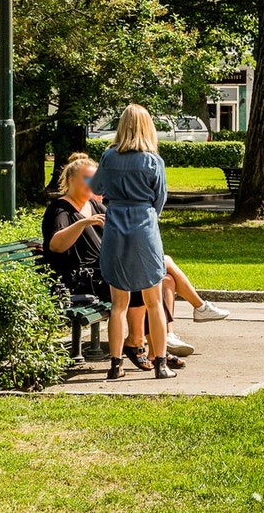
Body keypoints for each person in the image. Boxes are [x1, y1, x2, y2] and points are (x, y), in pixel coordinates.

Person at [44, 155, 229, 365]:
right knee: (146, 279)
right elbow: (55, 245)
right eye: (87, 179)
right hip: (84, 280)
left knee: (164, 280)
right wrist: (83, 223)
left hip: (105, 270)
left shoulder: (95, 206)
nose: (93, 185)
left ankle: (157, 348)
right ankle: (144, 341)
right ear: (70, 180)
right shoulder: (60, 208)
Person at [94, 104, 175, 380]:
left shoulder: (108, 157)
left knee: (119, 305)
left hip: (115, 227)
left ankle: (116, 365)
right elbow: (160, 199)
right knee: (154, 301)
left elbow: (95, 188)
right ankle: (161, 364)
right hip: (144, 227)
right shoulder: (153, 161)